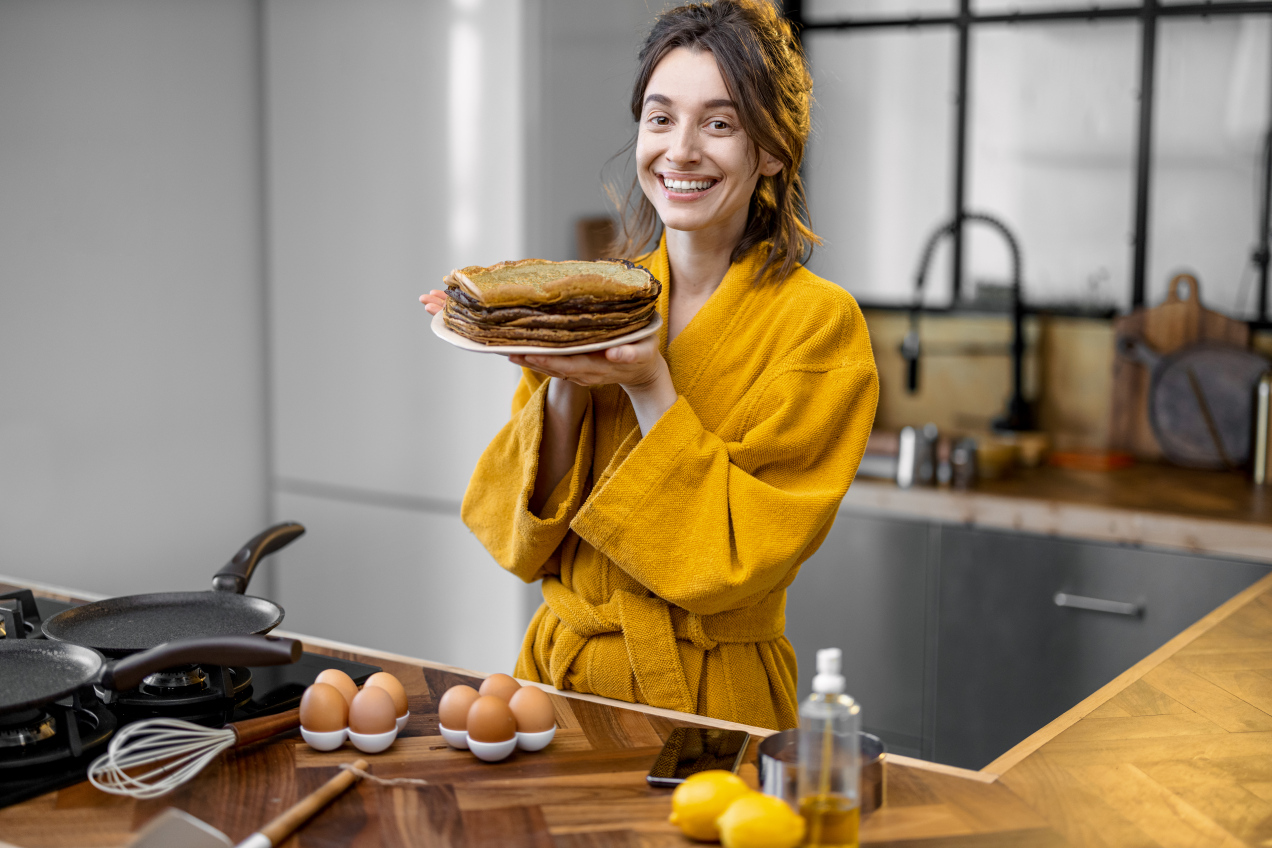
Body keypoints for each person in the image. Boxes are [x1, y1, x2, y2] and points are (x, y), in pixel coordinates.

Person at [421, 0, 878, 731]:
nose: (682, 150)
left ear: (771, 151)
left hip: (712, 701)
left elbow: (735, 559)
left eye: (719, 123)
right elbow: (522, 538)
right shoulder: (595, 300)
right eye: (661, 118)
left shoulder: (818, 328)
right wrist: (566, 378)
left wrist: (647, 382)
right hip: (560, 686)